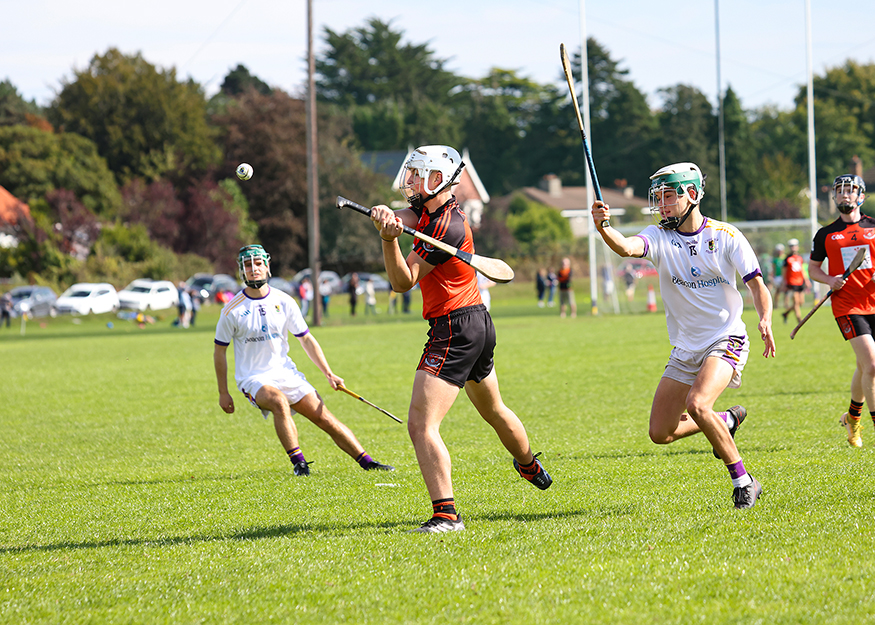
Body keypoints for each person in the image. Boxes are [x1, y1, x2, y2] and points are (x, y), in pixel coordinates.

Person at [370, 145, 551, 533]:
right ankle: (529, 465)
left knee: (421, 424)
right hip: (477, 323)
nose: (411, 181)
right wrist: (388, 217)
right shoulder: (433, 212)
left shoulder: (446, 227)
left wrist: (388, 241)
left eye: (420, 175)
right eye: (411, 173)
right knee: (495, 409)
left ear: (439, 179)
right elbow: (407, 216)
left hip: (454, 328)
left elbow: (402, 282)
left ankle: (447, 516)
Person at [592, 162, 775, 509]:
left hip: (726, 338)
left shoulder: (726, 236)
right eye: (657, 198)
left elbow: (756, 284)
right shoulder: (659, 236)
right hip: (685, 347)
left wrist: (764, 318)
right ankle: (725, 420)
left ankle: (744, 481)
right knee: (660, 433)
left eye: (668, 197)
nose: (661, 205)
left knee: (697, 403)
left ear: (692, 195)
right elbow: (627, 247)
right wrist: (603, 227)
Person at [213, 245, 394, 475]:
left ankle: (368, 463)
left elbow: (306, 339)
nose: (254, 269)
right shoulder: (232, 310)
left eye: (258, 263)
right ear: (242, 270)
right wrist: (223, 392)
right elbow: (219, 351)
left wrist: (329, 373)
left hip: (285, 373)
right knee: (279, 402)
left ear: (267, 266)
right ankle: (300, 465)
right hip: (253, 378)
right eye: (248, 265)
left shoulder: (284, 300)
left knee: (324, 417)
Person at [808, 175, 875, 448]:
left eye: (851, 191)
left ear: (860, 196)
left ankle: (852, 419)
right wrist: (829, 280)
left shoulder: (874, 226)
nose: (845, 196)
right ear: (834, 197)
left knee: (864, 366)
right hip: (847, 305)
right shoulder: (825, 234)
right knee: (871, 363)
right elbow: (813, 269)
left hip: (873, 301)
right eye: (840, 191)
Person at [780, 238, 811, 325]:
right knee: (796, 302)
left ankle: (786, 313)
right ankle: (799, 320)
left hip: (800, 282)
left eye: (794, 246)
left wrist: (807, 281)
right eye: (791, 246)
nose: (793, 247)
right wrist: (784, 283)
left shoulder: (800, 258)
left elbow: (802, 270)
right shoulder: (787, 259)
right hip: (791, 282)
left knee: (801, 302)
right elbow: (784, 272)